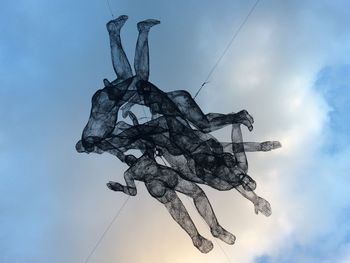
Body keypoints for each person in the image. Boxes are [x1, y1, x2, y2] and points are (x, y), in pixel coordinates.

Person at [107, 148, 236, 253]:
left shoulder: (131, 171)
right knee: (192, 197)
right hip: (164, 178)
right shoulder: (142, 159)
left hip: (157, 185)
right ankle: (209, 232)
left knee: (182, 206)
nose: (130, 158)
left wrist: (120, 188)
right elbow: (133, 191)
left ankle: (201, 236)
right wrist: (120, 187)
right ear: (129, 159)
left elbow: (132, 191)